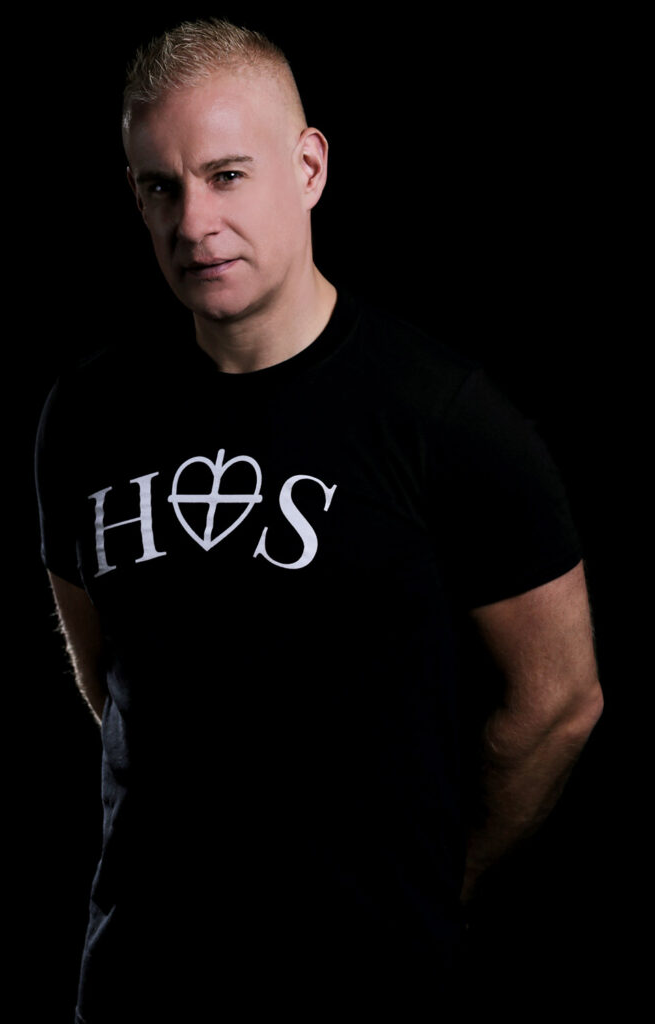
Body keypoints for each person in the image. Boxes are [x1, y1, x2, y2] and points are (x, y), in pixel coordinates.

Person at [34, 18, 603, 1021]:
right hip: (140, 986)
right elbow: (108, 675)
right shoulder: (87, 416)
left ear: (307, 167)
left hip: (368, 993)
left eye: (226, 175)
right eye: (161, 187)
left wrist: (440, 876)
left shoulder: (442, 416)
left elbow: (558, 700)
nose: (193, 223)